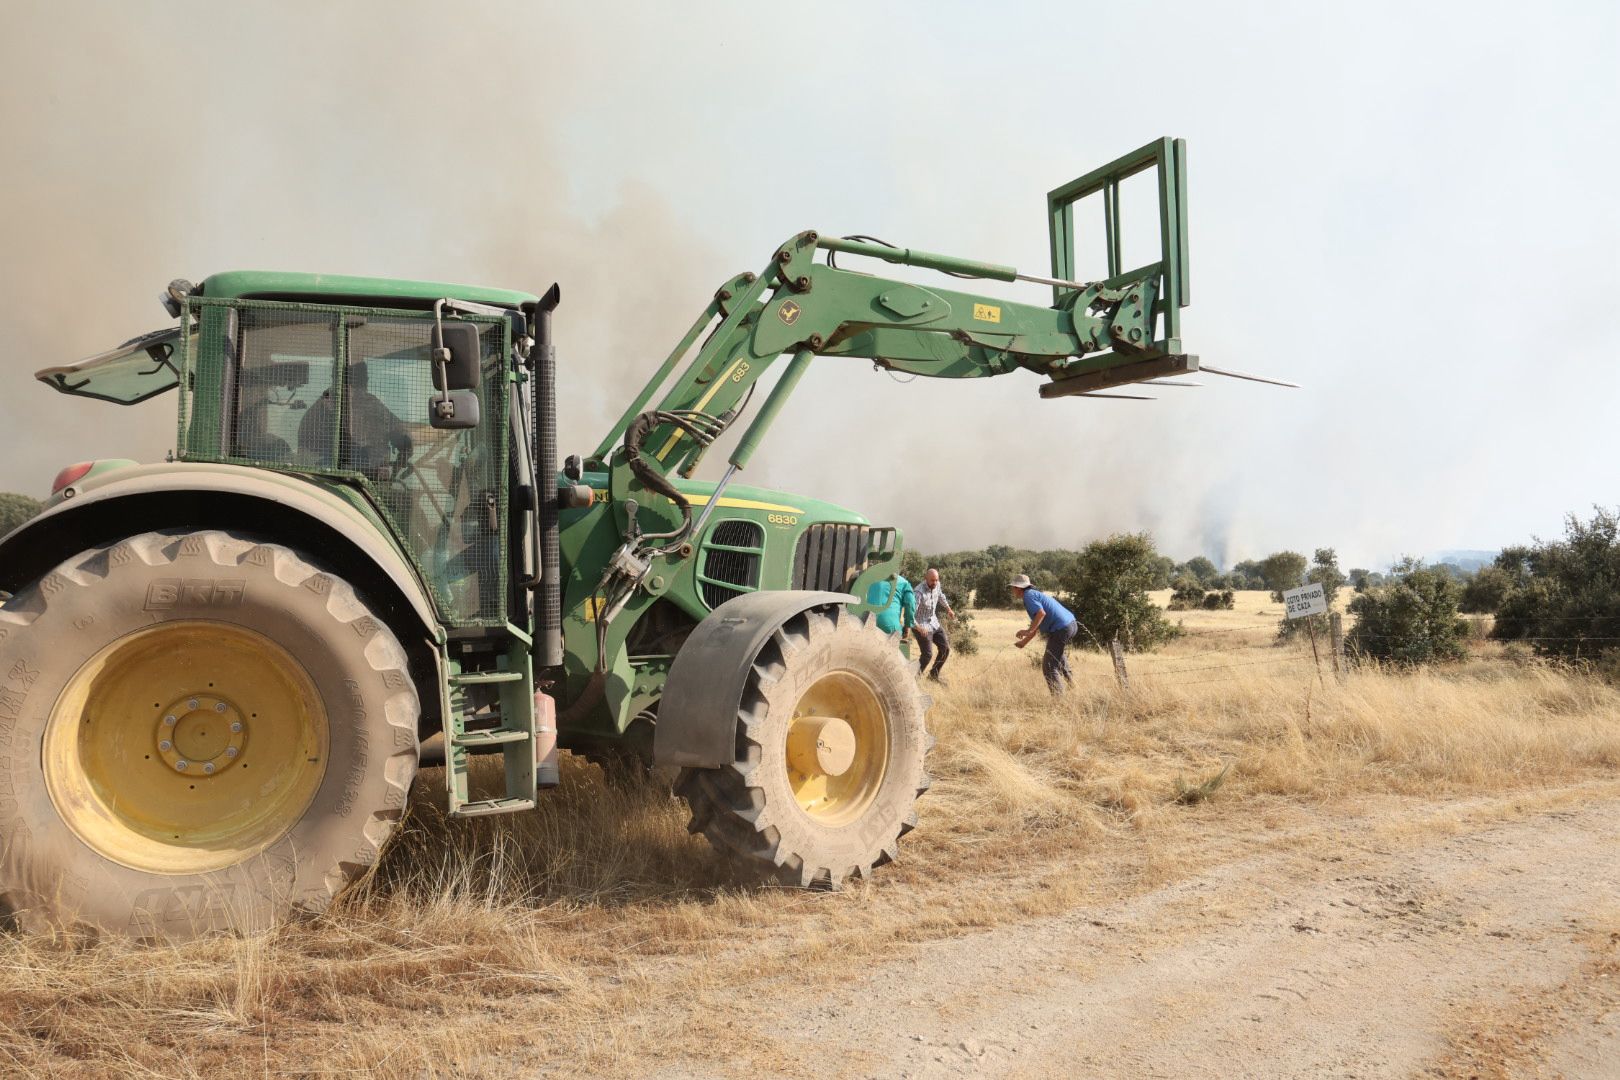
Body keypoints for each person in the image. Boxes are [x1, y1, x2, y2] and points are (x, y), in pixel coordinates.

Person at [1009, 573, 1078, 695]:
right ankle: (1073, 686)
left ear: (1018, 588)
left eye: (1013, 587)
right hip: (1070, 624)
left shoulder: (1028, 596)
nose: (1012, 590)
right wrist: (1024, 642)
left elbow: (1041, 614)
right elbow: (1037, 622)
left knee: (1049, 666)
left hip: (1061, 628)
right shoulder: (1033, 594)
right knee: (1056, 654)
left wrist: (1028, 631)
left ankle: (1059, 699)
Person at [911, 567, 956, 682]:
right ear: (925, 578)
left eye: (936, 580)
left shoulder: (937, 585)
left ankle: (933, 675)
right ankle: (912, 680)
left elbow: (941, 596)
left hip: (934, 623)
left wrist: (948, 609)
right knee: (927, 655)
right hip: (921, 625)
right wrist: (919, 628)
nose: (935, 583)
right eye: (932, 580)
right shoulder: (918, 592)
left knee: (945, 649)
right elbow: (910, 615)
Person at [864, 572, 916, 638]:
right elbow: (910, 604)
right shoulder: (904, 583)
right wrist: (908, 626)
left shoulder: (873, 578)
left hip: (867, 620)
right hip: (889, 625)